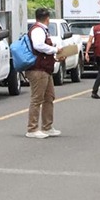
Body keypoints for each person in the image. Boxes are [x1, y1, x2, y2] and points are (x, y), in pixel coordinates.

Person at [25, 8, 65, 138]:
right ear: (47, 18)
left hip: (45, 69)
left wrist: (55, 57)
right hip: (38, 70)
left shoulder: (41, 30)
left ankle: (47, 127)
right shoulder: (38, 30)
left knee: (49, 97)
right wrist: (55, 50)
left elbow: (42, 52)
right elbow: (38, 46)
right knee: (37, 99)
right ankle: (32, 128)